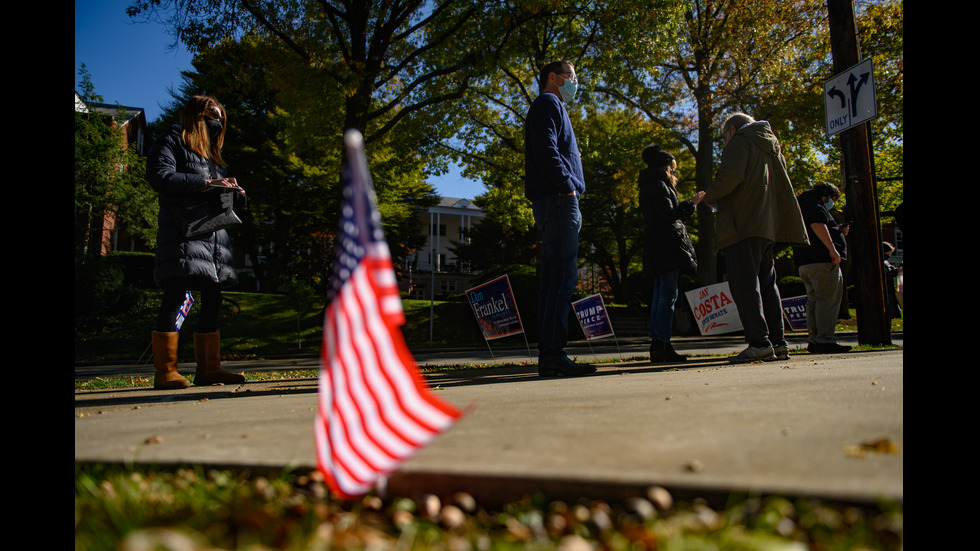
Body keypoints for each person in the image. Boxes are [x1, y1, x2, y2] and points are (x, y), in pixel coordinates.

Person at [147, 95, 247, 389]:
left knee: (213, 298)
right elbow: (159, 176)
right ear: (196, 114)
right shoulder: (173, 138)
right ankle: (165, 371)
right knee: (176, 293)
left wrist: (233, 192)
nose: (217, 120)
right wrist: (205, 184)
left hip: (213, 238)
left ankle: (208, 369)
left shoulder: (212, 157)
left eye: (221, 116)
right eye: (211, 114)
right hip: (182, 234)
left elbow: (214, 191)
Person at [702, 113, 809, 363]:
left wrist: (708, 197)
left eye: (724, 137)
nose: (724, 143)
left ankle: (759, 343)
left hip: (744, 225)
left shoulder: (741, 141)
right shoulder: (771, 147)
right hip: (769, 226)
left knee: (744, 286)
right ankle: (778, 342)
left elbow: (729, 178)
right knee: (768, 285)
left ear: (732, 130)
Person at [524, 60, 595, 378]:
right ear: (552, 77)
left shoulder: (552, 105)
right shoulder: (548, 102)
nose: (575, 82)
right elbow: (546, 149)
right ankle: (553, 354)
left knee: (555, 279)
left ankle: (550, 354)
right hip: (558, 200)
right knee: (562, 279)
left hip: (557, 201)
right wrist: (568, 187)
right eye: (571, 76)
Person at [638, 145, 704, 362]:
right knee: (667, 297)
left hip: (657, 246)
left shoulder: (649, 184)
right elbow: (669, 215)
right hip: (666, 247)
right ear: (665, 167)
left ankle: (659, 345)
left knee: (660, 296)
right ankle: (662, 345)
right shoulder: (658, 185)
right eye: (672, 169)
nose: (674, 174)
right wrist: (691, 204)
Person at [793, 182, 850, 353]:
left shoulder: (800, 202)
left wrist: (836, 231)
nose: (831, 204)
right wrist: (833, 249)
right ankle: (825, 339)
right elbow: (817, 225)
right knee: (827, 301)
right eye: (832, 200)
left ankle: (815, 339)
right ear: (827, 195)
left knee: (814, 301)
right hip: (822, 261)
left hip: (805, 261)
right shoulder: (815, 203)